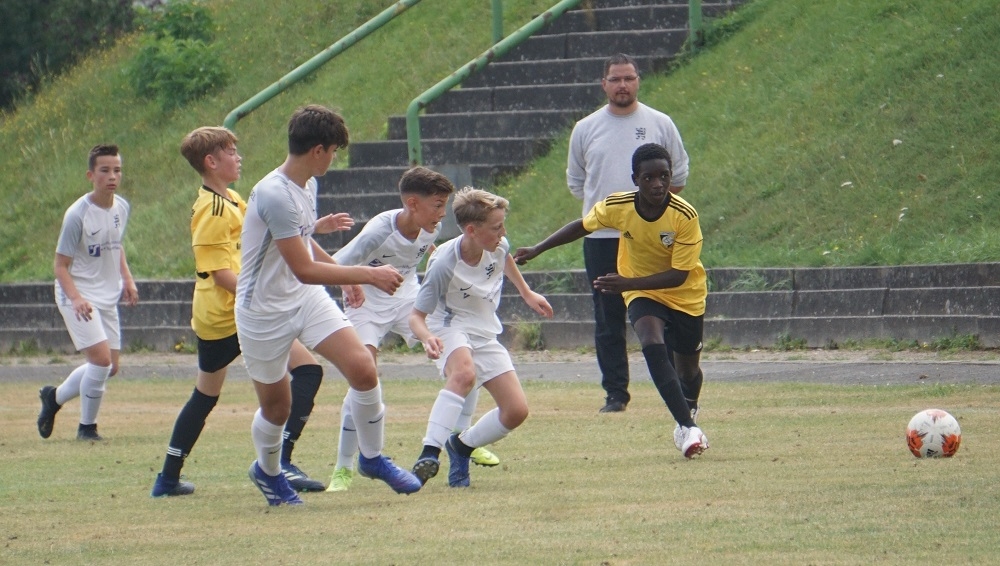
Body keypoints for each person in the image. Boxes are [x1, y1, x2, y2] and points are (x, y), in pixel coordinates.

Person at [151, 127, 351, 498]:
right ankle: (279, 464)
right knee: (303, 372)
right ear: (211, 162)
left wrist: (313, 228)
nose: (238, 157)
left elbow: (273, 240)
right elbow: (219, 273)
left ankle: (168, 478)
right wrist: (258, 297)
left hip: (237, 310)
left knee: (209, 394)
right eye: (230, 151)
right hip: (227, 316)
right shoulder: (211, 210)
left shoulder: (233, 199)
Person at [237, 104, 421, 505]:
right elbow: (304, 269)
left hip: (304, 299)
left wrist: (341, 272)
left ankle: (371, 458)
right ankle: (268, 472)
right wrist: (365, 274)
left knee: (362, 368)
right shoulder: (275, 193)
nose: (334, 158)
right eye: (334, 151)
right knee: (277, 407)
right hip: (263, 311)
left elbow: (303, 244)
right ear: (318, 150)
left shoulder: (306, 185)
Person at [514, 143, 708, 458]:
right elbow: (582, 225)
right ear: (635, 179)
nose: (657, 184)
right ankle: (687, 426)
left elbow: (678, 276)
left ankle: (689, 407)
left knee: (687, 371)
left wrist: (625, 282)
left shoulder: (684, 215)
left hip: (685, 295)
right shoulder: (619, 206)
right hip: (642, 292)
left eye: (664, 176)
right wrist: (538, 248)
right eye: (648, 178)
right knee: (651, 342)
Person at [325, 167, 500, 493]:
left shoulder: (431, 229)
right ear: (413, 203)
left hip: (408, 300)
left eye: (444, 205)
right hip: (366, 304)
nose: (442, 214)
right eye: (437, 205)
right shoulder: (380, 230)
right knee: (363, 378)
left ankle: (461, 437)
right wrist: (351, 282)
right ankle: (344, 467)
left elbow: (425, 254)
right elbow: (334, 263)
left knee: (462, 356)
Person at [567, 53, 690, 413]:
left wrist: (651, 213)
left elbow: (678, 176)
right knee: (608, 316)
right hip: (602, 238)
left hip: (651, 237)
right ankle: (616, 394)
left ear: (638, 81)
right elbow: (578, 183)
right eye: (615, 79)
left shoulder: (659, 123)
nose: (623, 85)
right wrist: (612, 214)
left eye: (629, 78)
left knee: (663, 309)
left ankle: (674, 389)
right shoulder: (586, 128)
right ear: (603, 84)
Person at [408, 187, 553, 487]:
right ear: (471, 230)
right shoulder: (444, 264)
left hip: (484, 329)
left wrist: (527, 293)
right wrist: (427, 338)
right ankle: (429, 452)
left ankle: (461, 446)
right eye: (496, 227)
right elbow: (416, 317)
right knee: (464, 374)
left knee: (516, 411)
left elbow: (505, 257)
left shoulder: (498, 244)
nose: (503, 233)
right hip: (448, 325)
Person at [37, 144, 139, 441]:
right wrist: (76, 298)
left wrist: (127, 278)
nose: (112, 176)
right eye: (105, 170)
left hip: (107, 294)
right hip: (78, 294)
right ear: (90, 175)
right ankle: (87, 428)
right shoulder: (77, 214)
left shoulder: (121, 207)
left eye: (117, 170)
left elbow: (115, 244)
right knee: (101, 361)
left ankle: (54, 398)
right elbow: (60, 266)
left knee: (111, 367)